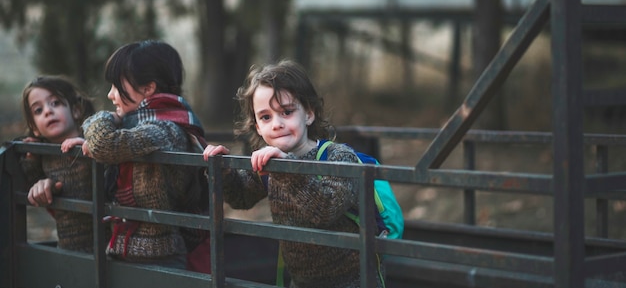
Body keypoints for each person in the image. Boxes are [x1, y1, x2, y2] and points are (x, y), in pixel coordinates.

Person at [203, 60, 385, 288]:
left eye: (286, 112)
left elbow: (325, 209)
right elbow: (241, 197)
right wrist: (223, 170)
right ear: (257, 126)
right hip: (301, 281)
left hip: (353, 279)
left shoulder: (337, 157)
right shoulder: (269, 160)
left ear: (309, 114)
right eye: (265, 117)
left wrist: (286, 168)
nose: (276, 124)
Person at [65, 40, 208, 270]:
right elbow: (112, 145)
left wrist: (104, 119)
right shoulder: (137, 128)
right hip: (124, 253)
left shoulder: (166, 130)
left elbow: (106, 144)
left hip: (160, 260)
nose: (111, 95)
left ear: (147, 89)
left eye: (116, 86)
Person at [19, 75, 96, 253]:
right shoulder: (43, 156)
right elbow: (37, 183)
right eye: (38, 110)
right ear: (35, 127)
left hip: (108, 246)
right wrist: (32, 161)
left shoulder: (94, 140)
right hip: (69, 248)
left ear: (76, 110)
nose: (47, 111)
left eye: (55, 103)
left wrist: (90, 147)